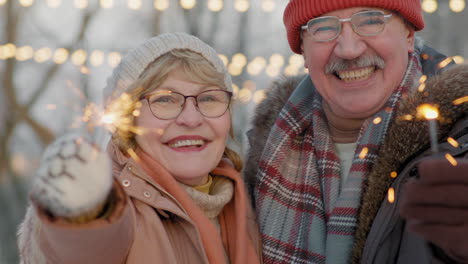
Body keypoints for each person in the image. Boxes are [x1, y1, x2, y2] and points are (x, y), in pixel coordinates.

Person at [244, 0, 468, 263]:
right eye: (324, 27)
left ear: (408, 35)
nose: (349, 50)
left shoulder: (460, 147)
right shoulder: (264, 158)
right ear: (303, 50)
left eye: (372, 21)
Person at [17, 32, 262, 264]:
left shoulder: (253, 202)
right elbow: (85, 246)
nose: (191, 119)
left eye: (209, 98)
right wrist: (82, 207)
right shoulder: (119, 207)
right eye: (164, 99)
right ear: (127, 119)